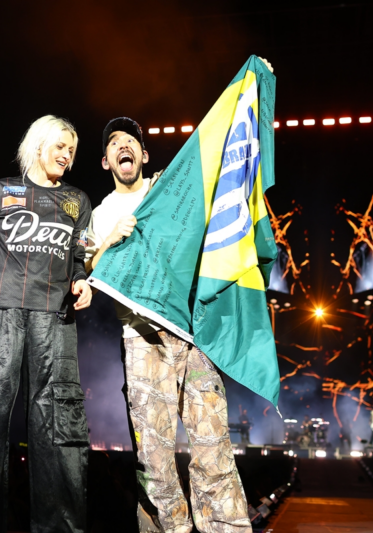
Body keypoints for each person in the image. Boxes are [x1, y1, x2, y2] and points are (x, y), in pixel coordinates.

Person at [85, 117, 253, 532]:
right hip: (142, 339)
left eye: (131, 142)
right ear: (106, 161)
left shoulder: (171, 189)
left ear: (143, 155)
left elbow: (218, 165)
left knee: (214, 447)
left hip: (191, 335)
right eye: (114, 143)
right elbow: (90, 270)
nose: (123, 146)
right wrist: (111, 240)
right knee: (155, 459)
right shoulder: (104, 213)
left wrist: (250, 93)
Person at [0, 115, 93, 533]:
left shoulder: (77, 201)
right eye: (60, 146)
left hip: (55, 320)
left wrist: (83, 282)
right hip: (0, 315)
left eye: (72, 149)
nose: (67, 154)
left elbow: (81, 259)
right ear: (37, 145)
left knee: (57, 432)